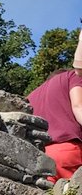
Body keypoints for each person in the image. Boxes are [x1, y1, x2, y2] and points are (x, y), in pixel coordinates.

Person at [28, 35, 82, 182]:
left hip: (38, 160)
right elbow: (79, 107)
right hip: (67, 152)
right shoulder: (71, 76)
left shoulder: (30, 96)